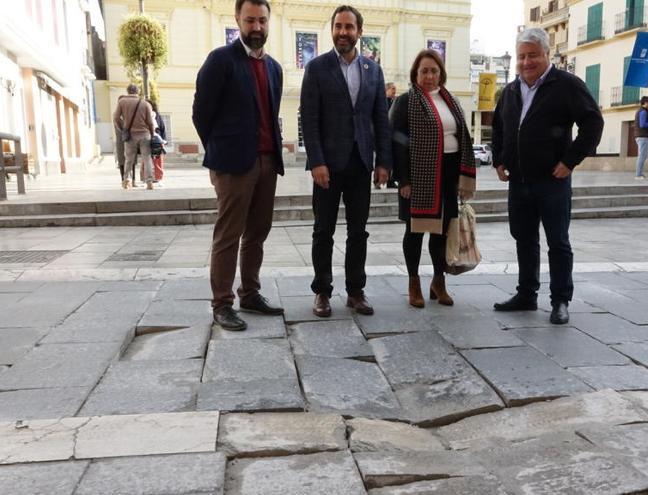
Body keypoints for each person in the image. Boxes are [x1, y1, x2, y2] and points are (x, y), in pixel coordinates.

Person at [491, 27, 603, 325]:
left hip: (552, 180)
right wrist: (499, 160)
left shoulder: (566, 84)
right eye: (521, 56)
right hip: (519, 180)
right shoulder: (511, 90)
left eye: (533, 55)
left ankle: (560, 300)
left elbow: (593, 123)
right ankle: (526, 294)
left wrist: (570, 161)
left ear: (546, 54)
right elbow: (500, 126)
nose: (526, 62)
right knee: (524, 239)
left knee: (558, 241)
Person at [192, 0, 285, 331]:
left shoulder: (274, 67)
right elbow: (201, 113)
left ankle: (250, 293)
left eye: (262, 20)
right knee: (229, 234)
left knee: (258, 231)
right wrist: (219, 152)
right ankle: (222, 303)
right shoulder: (221, 60)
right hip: (233, 164)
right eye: (250, 20)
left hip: (267, 161)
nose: (256, 27)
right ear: (238, 21)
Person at [300, 5, 391, 318]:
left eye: (349, 27)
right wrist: (316, 161)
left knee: (359, 232)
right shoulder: (317, 68)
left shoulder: (373, 70)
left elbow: (380, 118)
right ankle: (322, 292)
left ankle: (355, 291)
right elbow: (309, 120)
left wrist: (383, 162)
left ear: (359, 32)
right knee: (323, 231)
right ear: (332, 30)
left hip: (361, 162)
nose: (343, 32)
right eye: (338, 26)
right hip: (327, 164)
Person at [389, 50, 476, 308]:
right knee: (414, 231)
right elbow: (397, 142)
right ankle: (414, 282)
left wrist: (463, 176)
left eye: (434, 71)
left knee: (442, 231)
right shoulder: (406, 101)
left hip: (449, 173)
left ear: (441, 74)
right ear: (416, 74)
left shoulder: (451, 101)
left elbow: (462, 137)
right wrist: (403, 179)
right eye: (424, 71)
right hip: (418, 175)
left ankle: (439, 282)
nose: (429, 76)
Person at [113, 84, 155, 190]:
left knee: (129, 159)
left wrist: (122, 129)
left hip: (130, 135)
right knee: (147, 159)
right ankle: (149, 182)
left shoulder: (122, 102)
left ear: (128, 91)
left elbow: (116, 117)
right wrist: (152, 134)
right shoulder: (145, 104)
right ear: (138, 91)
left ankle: (127, 180)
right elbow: (150, 122)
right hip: (145, 135)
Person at [633, 96, 648, 179]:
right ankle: (638, 174)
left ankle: (640, 173)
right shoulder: (643, 112)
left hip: (641, 135)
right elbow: (642, 124)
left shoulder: (642, 111)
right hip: (642, 136)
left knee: (643, 155)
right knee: (642, 155)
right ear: (645, 102)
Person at [150, 100, 166, 183]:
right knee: (153, 160)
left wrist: (163, 140)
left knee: (157, 160)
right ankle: (153, 176)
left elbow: (162, 128)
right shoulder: (154, 115)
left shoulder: (156, 116)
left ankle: (157, 177)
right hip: (154, 140)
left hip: (157, 140)